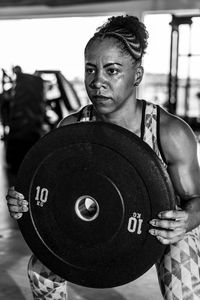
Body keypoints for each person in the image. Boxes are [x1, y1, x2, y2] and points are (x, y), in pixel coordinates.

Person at [6, 15, 200, 300]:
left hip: (158, 229)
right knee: (41, 271)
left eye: (112, 71)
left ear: (137, 75)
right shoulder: (72, 129)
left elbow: (197, 200)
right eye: (90, 70)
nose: (98, 82)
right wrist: (22, 200)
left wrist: (187, 219)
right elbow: (47, 193)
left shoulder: (170, 133)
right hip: (95, 221)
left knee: (186, 288)